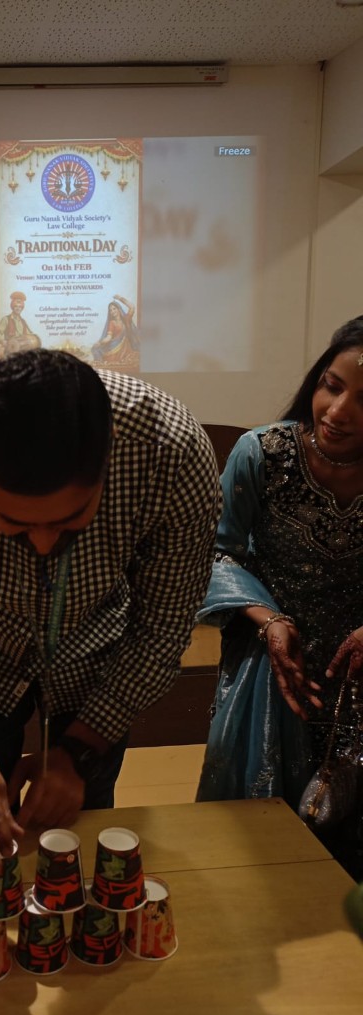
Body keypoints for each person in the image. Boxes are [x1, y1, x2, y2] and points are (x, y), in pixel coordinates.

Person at [0, 349, 221, 866]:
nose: (42, 543)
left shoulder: (171, 451)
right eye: (14, 523)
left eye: (69, 521)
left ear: (109, 455)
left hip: (98, 653)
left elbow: (161, 630)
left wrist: (78, 750)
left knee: (81, 823)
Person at [196, 315, 363, 879]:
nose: (338, 411)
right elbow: (216, 555)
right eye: (332, 386)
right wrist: (269, 620)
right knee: (259, 846)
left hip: (358, 671)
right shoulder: (262, 454)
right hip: (273, 667)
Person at [91, 295, 137, 365]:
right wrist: (100, 343)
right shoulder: (112, 323)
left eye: (114, 309)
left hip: (127, 349)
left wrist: (120, 298)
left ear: (119, 309)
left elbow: (132, 307)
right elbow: (109, 337)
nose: (112, 311)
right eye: (110, 310)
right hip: (115, 349)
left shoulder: (126, 319)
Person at [0, 292, 41, 356]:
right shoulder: (6, 319)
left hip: (21, 352)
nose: (18, 308)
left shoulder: (23, 321)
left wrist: (33, 340)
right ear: (12, 307)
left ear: (22, 308)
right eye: (16, 306)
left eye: (20, 307)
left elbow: (29, 334)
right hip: (9, 350)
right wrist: (3, 341)